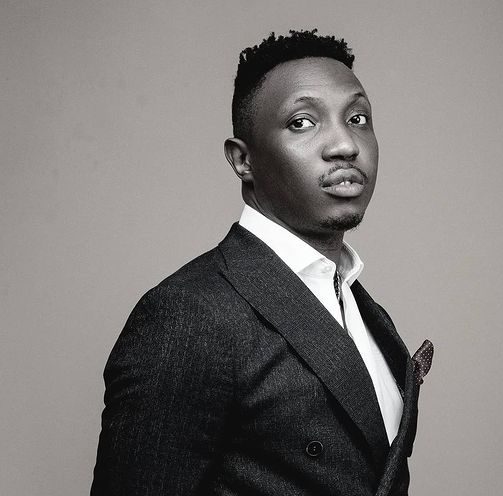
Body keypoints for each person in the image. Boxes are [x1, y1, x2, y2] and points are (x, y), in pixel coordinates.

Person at [91, 29, 433, 496]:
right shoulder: (190, 315)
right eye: (302, 122)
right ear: (243, 160)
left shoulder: (364, 310)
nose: (344, 145)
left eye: (357, 118)